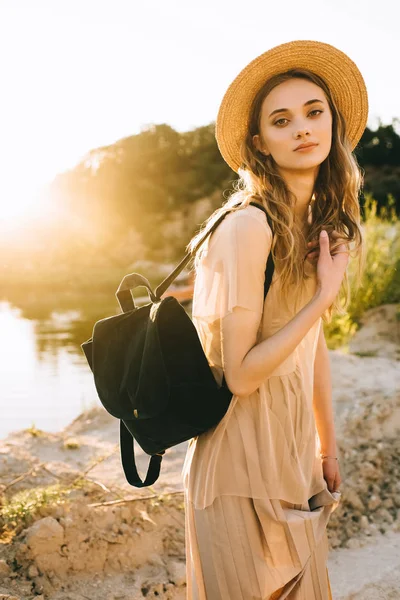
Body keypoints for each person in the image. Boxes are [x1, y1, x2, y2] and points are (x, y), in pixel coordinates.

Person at [181, 40, 368, 599]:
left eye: (314, 113)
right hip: (238, 461)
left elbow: (311, 347)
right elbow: (240, 375)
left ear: (332, 123)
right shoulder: (248, 227)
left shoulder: (316, 222)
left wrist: (327, 448)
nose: (303, 129)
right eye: (282, 120)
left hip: (292, 453)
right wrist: (320, 298)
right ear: (260, 142)